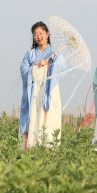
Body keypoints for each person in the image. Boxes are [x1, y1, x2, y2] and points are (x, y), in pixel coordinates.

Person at [19, 21, 67, 149]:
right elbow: (24, 70)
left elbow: (62, 69)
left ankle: (47, 148)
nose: (39, 37)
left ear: (47, 34)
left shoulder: (55, 53)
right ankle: (31, 147)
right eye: (35, 35)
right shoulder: (30, 54)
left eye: (41, 33)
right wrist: (37, 66)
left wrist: (54, 62)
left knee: (48, 118)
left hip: (49, 90)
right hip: (33, 91)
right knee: (34, 116)